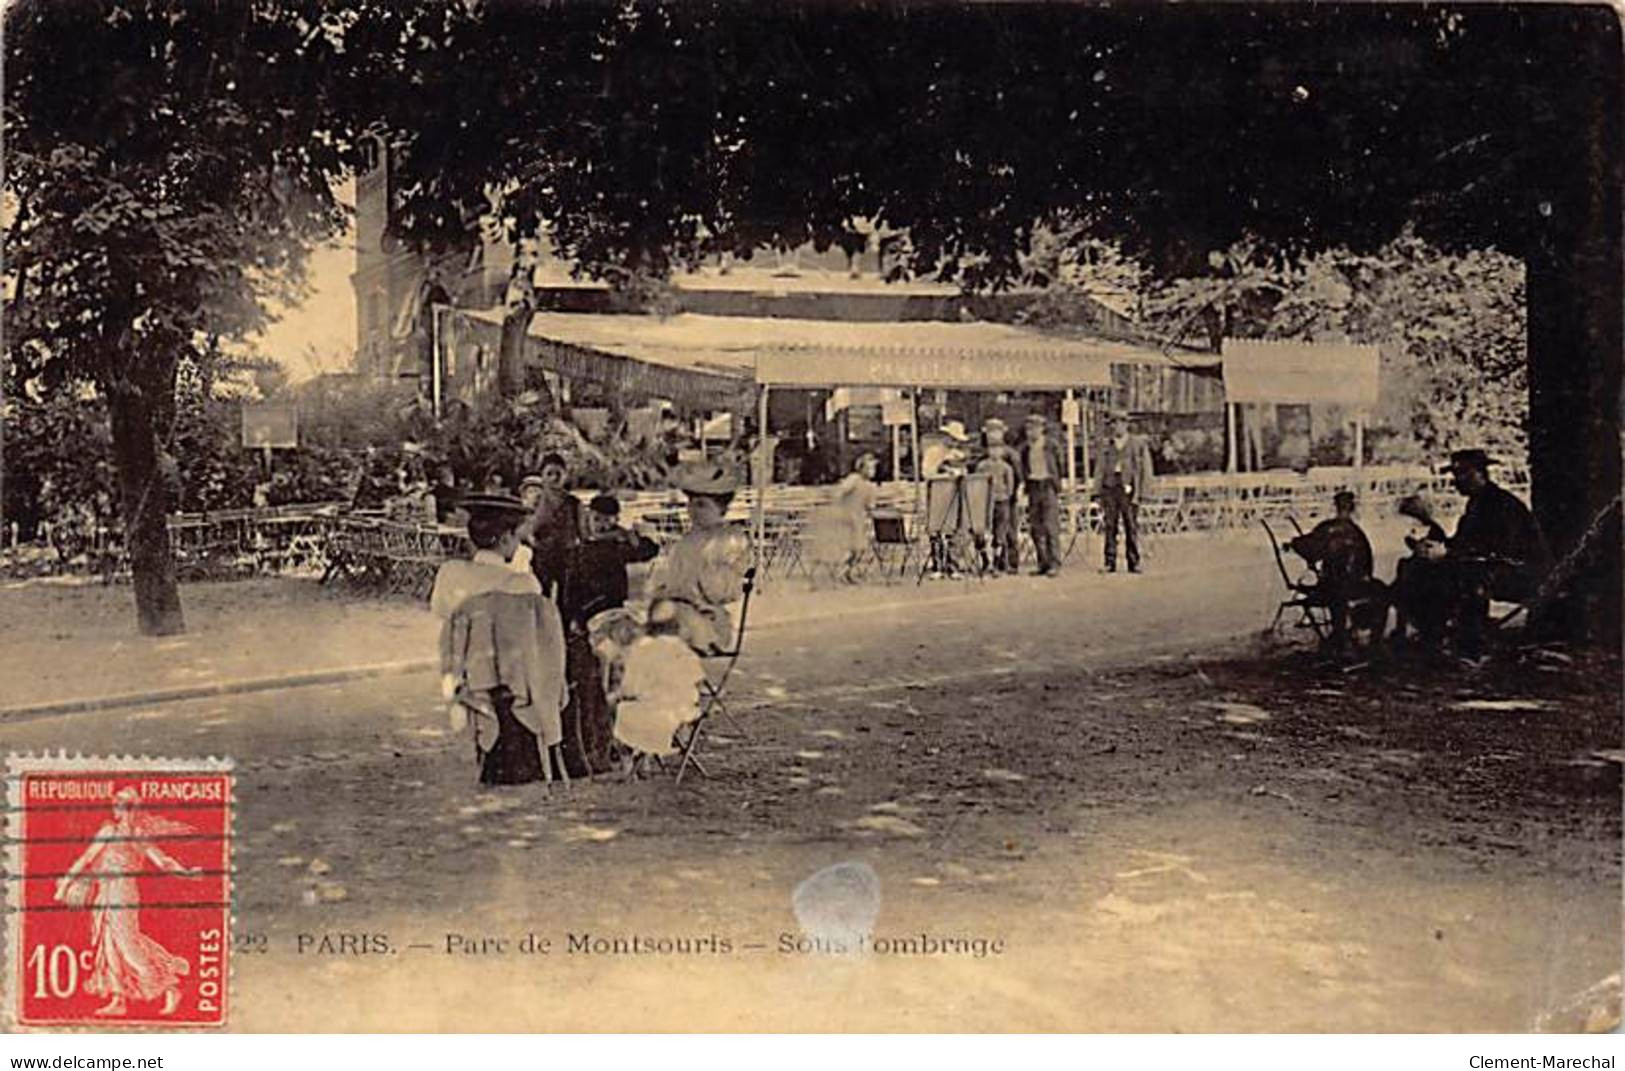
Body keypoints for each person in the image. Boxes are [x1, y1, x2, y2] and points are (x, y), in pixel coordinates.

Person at [431, 492, 568, 786]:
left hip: (469, 675)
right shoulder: (520, 583)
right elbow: (537, 635)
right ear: (506, 539)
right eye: (516, 537)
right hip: (512, 679)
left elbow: (443, 613)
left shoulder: (450, 574)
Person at [53, 788, 203, 1017]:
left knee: (127, 943)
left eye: (124, 805)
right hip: (104, 891)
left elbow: (162, 861)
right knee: (108, 943)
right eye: (117, 804)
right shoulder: (108, 830)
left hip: (123, 891)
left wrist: (187, 873)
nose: (119, 809)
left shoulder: (138, 836)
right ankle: (118, 999)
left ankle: (168, 987)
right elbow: (86, 858)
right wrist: (65, 885)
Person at [1391, 449, 1553, 659]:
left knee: (1462, 576)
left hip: (1523, 572)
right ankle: (1433, 635)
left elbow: (1495, 549)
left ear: (1481, 473)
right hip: (1494, 566)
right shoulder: (1478, 503)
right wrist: (1431, 536)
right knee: (1415, 567)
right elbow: (1464, 544)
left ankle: (1469, 644)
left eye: (1464, 474)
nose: (1457, 481)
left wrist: (1447, 553)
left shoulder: (1500, 504)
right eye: (1455, 475)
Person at [554, 495, 661, 776]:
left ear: (616, 520)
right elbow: (569, 595)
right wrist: (574, 621)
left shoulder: (618, 547)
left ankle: (633, 743)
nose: (600, 525)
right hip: (595, 620)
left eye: (607, 520)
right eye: (596, 519)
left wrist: (627, 534)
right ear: (588, 518)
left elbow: (650, 549)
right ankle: (615, 742)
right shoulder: (578, 552)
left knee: (625, 676)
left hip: (618, 617)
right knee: (609, 678)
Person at [646, 461, 751, 654]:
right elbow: (672, 579)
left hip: (708, 621)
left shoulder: (727, 540)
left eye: (702, 505)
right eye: (691, 504)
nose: (693, 510)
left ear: (721, 509)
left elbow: (719, 590)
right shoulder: (687, 540)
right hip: (678, 613)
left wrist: (688, 597)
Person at [612, 601, 707, 773]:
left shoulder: (640, 649)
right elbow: (699, 681)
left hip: (651, 711)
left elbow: (629, 688)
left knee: (622, 709)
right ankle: (645, 758)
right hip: (681, 712)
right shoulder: (682, 649)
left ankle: (634, 760)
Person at [1289, 490, 1382, 651]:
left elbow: (1307, 548)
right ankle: (1370, 640)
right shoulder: (1356, 532)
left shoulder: (1327, 528)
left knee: (1341, 591)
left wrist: (1294, 542)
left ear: (1335, 506)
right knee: (1381, 592)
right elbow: (1367, 564)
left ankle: (1345, 635)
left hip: (1332, 588)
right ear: (1352, 508)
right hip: (1354, 586)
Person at [804, 452, 881, 585]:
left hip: (858, 518)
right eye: (870, 468)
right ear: (862, 468)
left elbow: (870, 505)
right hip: (846, 516)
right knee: (847, 547)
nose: (872, 471)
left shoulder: (870, 486)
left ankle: (847, 572)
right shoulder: (854, 479)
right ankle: (840, 572)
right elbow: (841, 491)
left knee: (858, 549)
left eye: (874, 468)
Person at [1094, 412, 1157, 574]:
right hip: (1110, 488)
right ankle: (1109, 561)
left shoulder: (1137, 445)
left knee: (1131, 525)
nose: (1117, 426)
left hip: (1129, 490)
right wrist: (1097, 491)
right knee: (1110, 526)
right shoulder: (1107, 445)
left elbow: (1146, 470)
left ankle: (1133, 561)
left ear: (1126, 425)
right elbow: (1100, 469)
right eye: (1113, 423)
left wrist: (1144, 492)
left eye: (1120, 423)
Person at [518, 453, 581, 601]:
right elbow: (524, 528)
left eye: (558, 473)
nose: (554, 478)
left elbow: (583, 534)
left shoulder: (574, 503)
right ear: (542, 476)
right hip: (541, 556)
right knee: (540, 596)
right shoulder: (534, 501)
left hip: (568, 556)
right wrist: (534, 541)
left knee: (566, 600)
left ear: (566, 475)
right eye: (549, 473)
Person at [1016, 413, 1065, 577]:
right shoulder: (1025, 449)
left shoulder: (1051, 446)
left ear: (1042, 429)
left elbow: (1060, 464)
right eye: (1029, 429)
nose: (1031, 432)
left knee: (1051, 526)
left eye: (1035, 428)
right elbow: (1022, 467)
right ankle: (1042, 562)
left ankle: (1055, 563)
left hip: (1048, 485)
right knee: (1036, 527)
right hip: (1033, 487)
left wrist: (1057, 482)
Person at [980, 418, 1021, 574]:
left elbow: (1016, 476)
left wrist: (1011, 494)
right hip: (989, 499)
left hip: (1007, 498)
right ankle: (996, 562)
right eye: (990, 432)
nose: (993, 435)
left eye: (996, 431)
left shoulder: (1011, 455)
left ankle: (1011, 563)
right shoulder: (983, 458)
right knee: (994, 531)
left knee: (1009, 531)